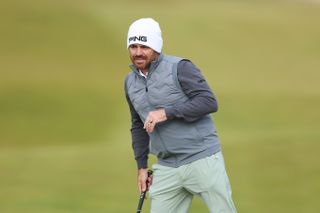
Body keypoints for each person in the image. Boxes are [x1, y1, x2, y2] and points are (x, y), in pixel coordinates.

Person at [124, 18, 237, 213]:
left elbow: (209, 101)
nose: (138, 52)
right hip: (167, 166)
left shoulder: (180, 67)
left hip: (202, 159)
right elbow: (137, 125)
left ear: (156, 47)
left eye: (144, 46)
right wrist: (141, 167)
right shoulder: (130, 82)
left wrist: (167, 113)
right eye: (133, 46)